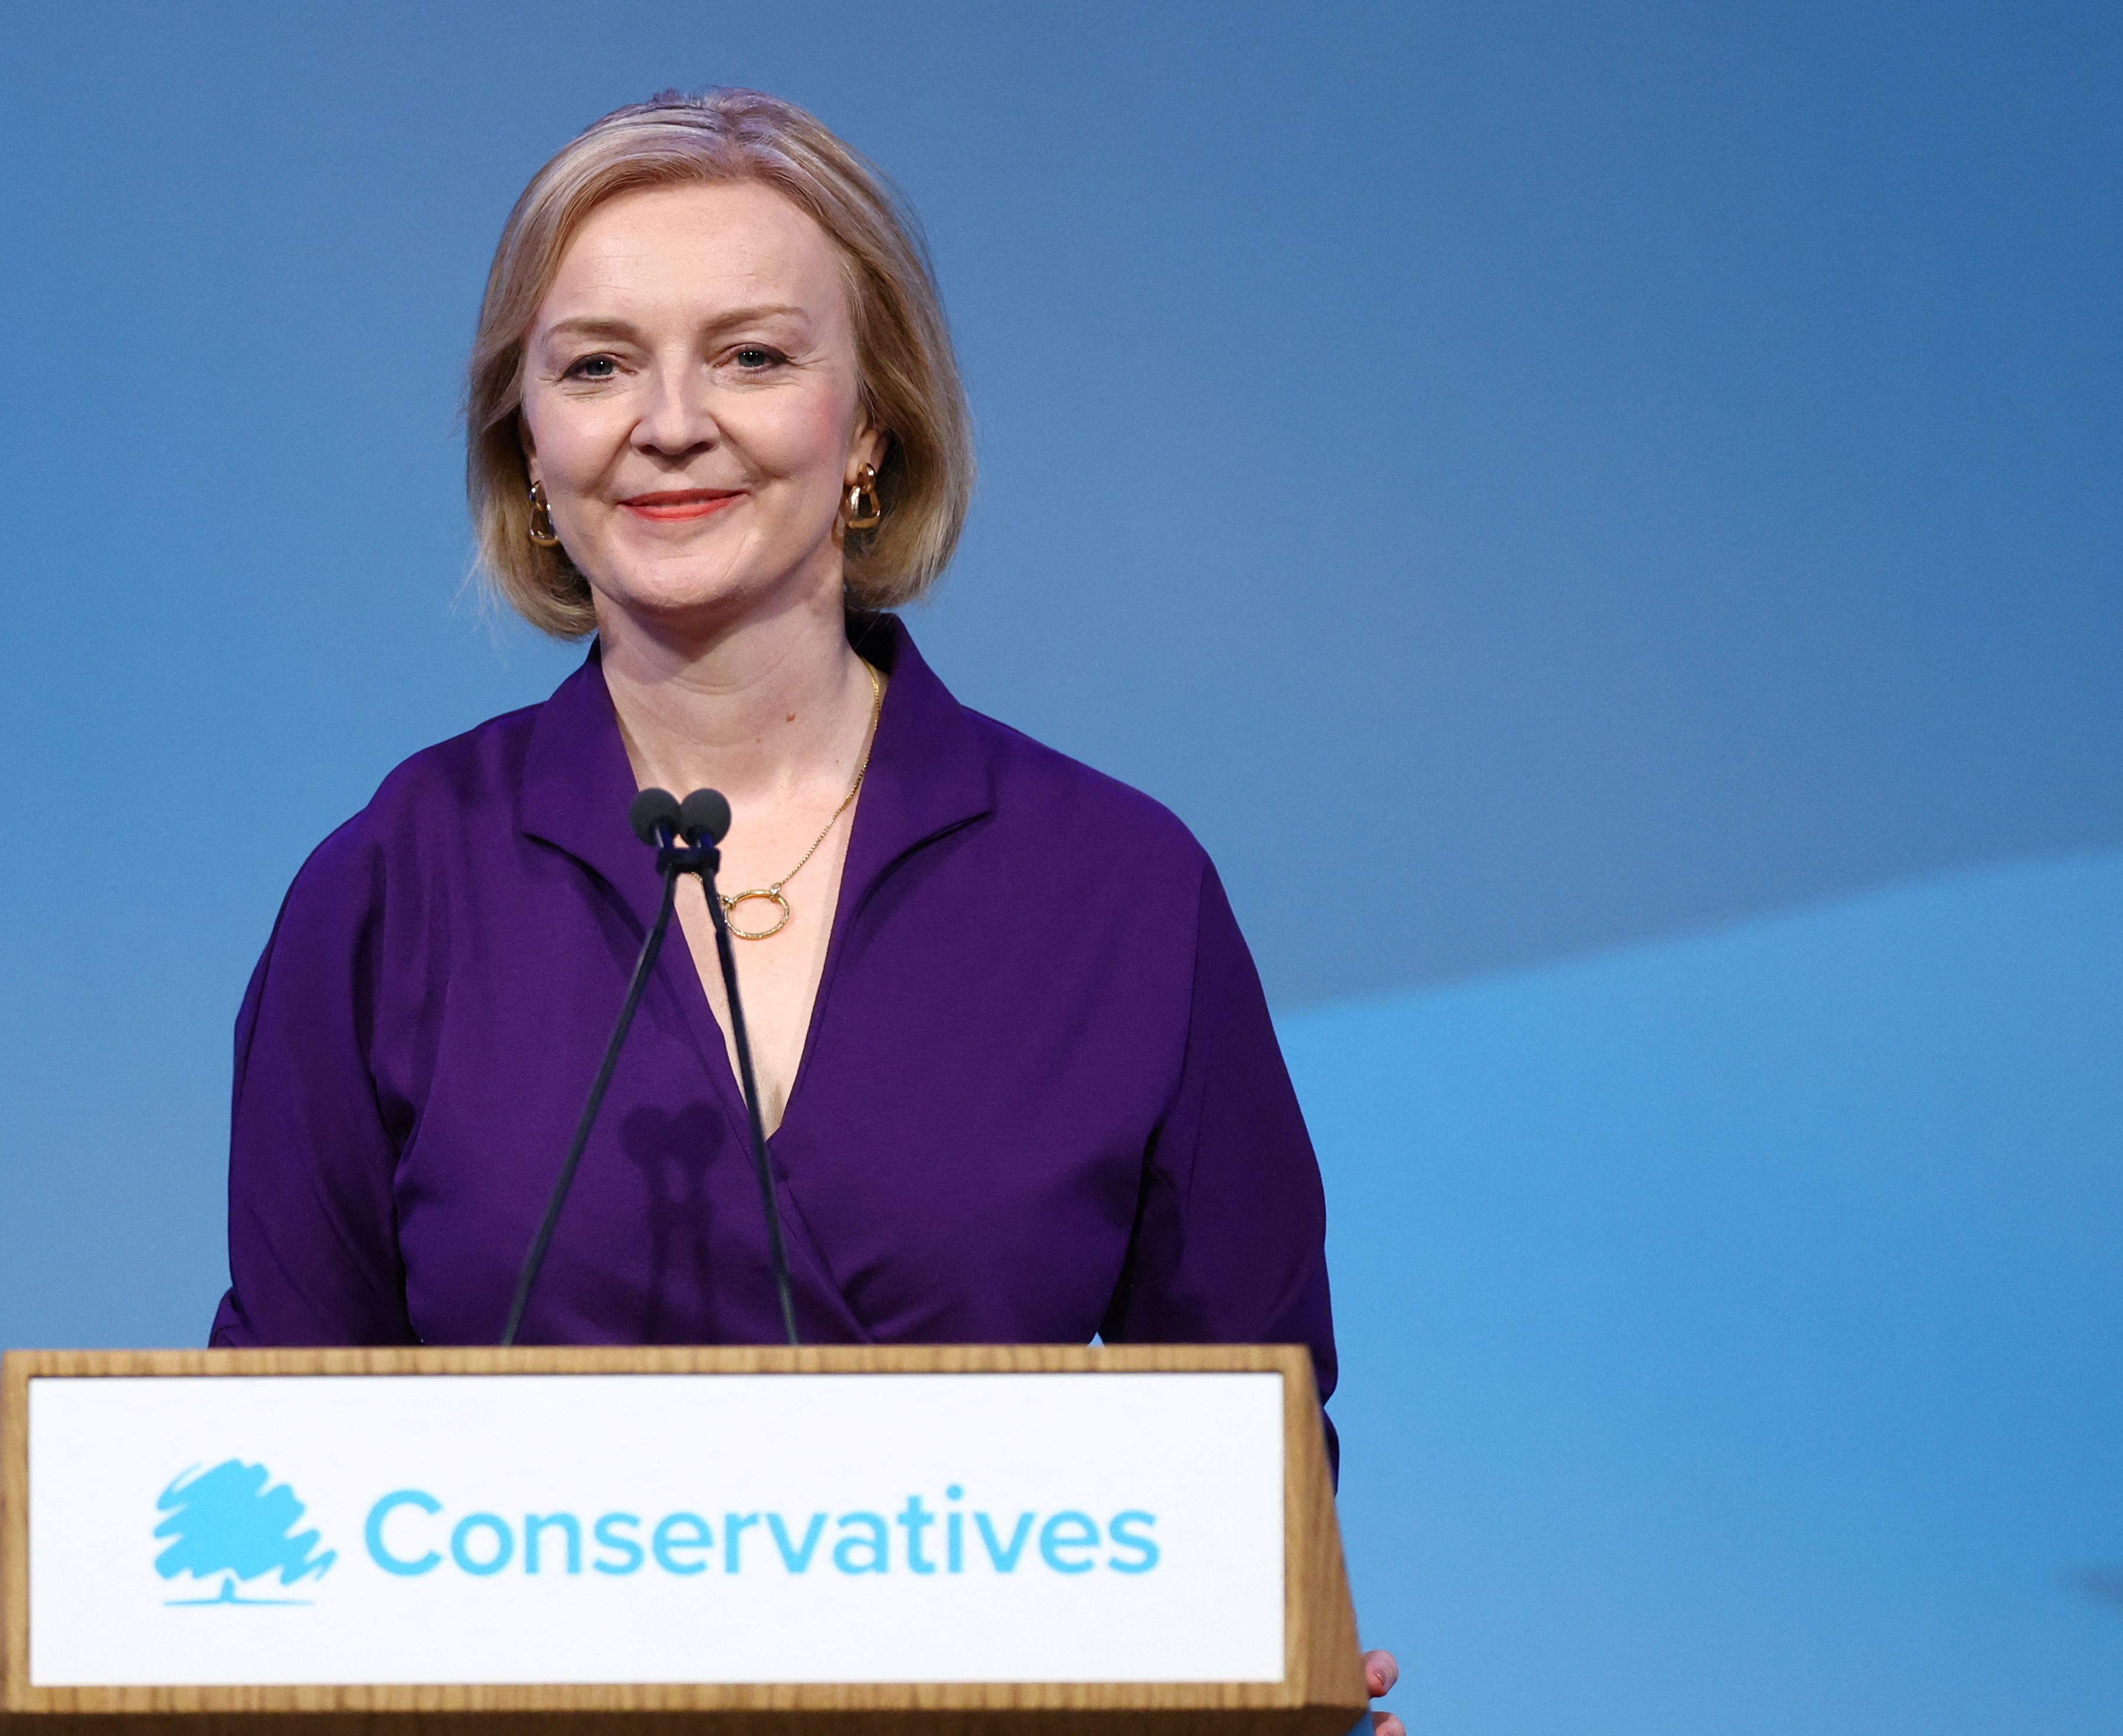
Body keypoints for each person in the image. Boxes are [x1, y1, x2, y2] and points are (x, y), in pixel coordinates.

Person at [207, 89, 1402, 1733]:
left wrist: (1269, 1685)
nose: (670, 424)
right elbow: (272, 1461)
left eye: (754, 357)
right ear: (529, 447)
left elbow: (1240, 1468)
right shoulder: (392, 887)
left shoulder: (1121, 890)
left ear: (872, 426)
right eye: (596, 366)